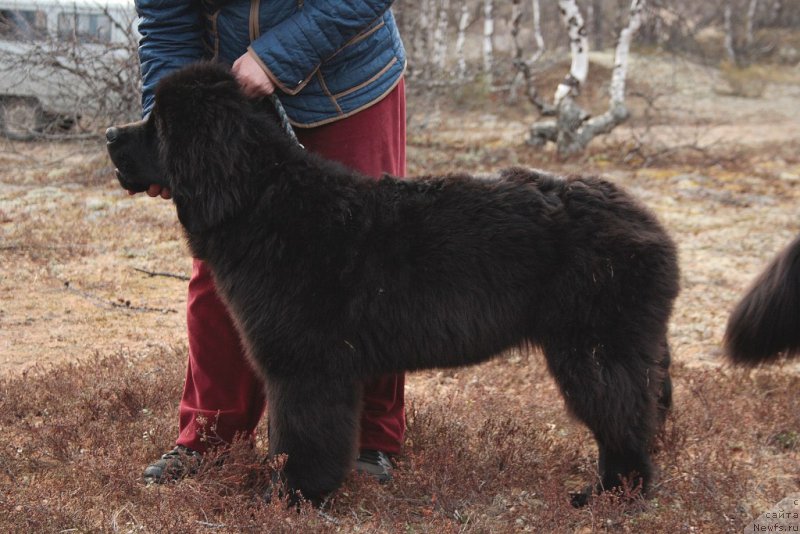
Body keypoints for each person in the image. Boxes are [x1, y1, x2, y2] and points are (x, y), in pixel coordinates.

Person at [131, 0, 407, 484]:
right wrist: (168, 135)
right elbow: (165, 20)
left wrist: (276, 58)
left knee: (368, 258)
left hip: (350, 78)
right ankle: (211, 437)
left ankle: (370, 437)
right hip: (233, 93)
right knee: (223, 266)